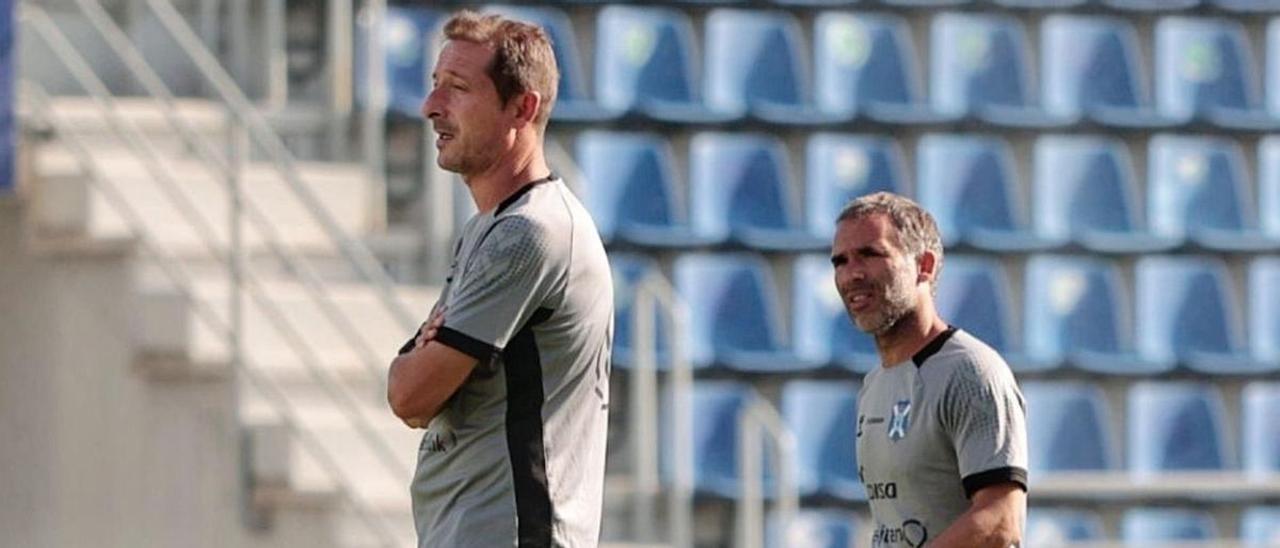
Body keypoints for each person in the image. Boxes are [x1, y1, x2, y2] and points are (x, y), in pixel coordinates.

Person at [387, 11, 613, 548]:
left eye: (458, 89)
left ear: (522, 107)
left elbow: (409, 394)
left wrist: (426, 358)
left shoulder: (528, 235)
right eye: (434, 86)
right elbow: (415, 389)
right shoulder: (489, 229)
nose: (431, 107)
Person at [831, 192, 1027, 547]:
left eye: (870, 254)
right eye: (840, 261)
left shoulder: (971, 372)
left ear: (925, 265)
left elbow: (1000, 521)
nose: (851, 275)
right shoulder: (875, 384)